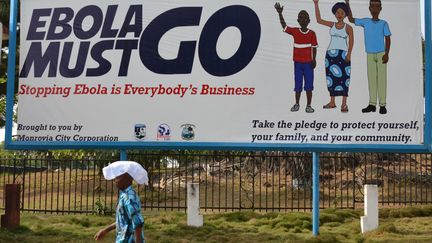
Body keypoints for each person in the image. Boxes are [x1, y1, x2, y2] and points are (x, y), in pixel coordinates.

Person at [345, 0, 391, 114]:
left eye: (377, 6)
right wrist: (347, 3)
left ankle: (383, 105)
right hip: (370, 54)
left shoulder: (384, 23)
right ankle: (372, 104)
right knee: (371, 79)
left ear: (380, 8)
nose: (375, 9)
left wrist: (386, 53)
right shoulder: (365, 21)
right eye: (372, 6)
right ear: (369, 8)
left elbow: (388, 38)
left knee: (381, 79)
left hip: (381, 54)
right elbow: (351, 19)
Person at [275, 2, 318, 113]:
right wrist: (280, 14)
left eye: (305, 18)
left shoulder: (312, 33)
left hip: (308, 64)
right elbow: (284, 27)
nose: (303, 19)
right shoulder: (295, 31)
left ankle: (308, 106)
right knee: (298, 84)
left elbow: (314, 48)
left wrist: (314, 59)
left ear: (309, 21)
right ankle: (297, 104)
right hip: (298, 63)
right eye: (301, 18)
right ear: (298, 20)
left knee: (309, 85)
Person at [313, 0, 354, 113]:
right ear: (335, 14)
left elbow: (351, 42)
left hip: (343, 54)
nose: (339, 14)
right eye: (337, 12)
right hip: (331, 54)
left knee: (345, 78)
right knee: (331, 78)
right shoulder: (332, 25)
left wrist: (349, 54)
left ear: (345, 14)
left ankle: (344, 104)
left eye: (342, 12)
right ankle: (332, 102)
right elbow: (319, 20)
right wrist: (316, 4)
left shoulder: (348, 27)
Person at [94, 161, 148, 243]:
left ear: (126, 178)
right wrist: (105, 230)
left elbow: (137, 224)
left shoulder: (129, 198)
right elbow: (123, 220)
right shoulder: (124, 195)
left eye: (117, 177)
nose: (115, 180)